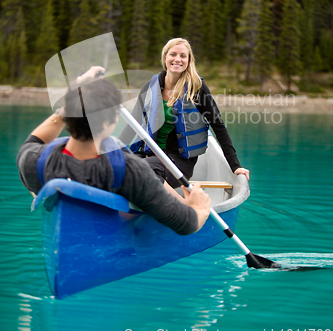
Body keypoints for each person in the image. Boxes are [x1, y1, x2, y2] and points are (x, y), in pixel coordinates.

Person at [17, 66, 211, 236]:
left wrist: (75, 95)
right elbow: (187, 224)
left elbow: (34, 140)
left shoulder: (33, 161)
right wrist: (199, 206)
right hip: (105, 234)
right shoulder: (131, 172)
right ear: (110, 123)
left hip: (70, 236)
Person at [120, 38, 249, 188]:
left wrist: (235, 166)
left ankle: (178, 205)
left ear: (189, 60)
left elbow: (218, 125)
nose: (177, 59)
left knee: (140, 169)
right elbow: (132, 125)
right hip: (149, 156)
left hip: (177, 164)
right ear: (165, 58)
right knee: (114, 167)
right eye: (173, 54)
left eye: (183, 56)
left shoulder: (197, 88)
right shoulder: (149, 88)